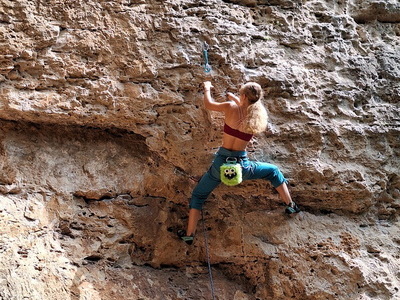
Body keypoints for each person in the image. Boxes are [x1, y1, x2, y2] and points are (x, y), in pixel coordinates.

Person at [178, 81, 300, 245]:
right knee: (273, 172)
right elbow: (244, 110)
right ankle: (290, 205)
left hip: (220, 166)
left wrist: (207, 87)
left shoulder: (229, 107)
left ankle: (189, 235)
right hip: (241, 167)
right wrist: (236, 99)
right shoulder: (255, 117)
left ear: (243, 96)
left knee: (198, 196)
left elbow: (209, 104)